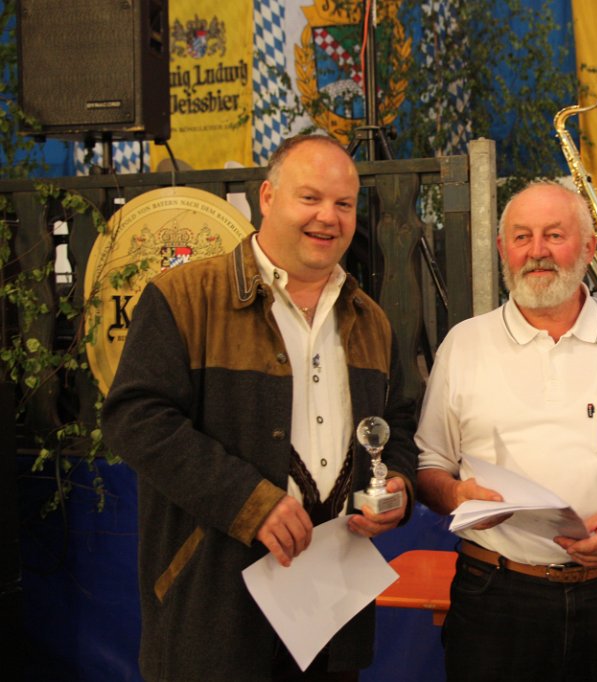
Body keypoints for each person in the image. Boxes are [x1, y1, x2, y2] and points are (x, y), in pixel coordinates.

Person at [102, 135, 418, 681]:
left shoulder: (371, 320)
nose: (328, 217)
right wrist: (250, 503)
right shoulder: (184, 297)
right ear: (267, 197)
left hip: (330, 617)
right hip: (212, 613)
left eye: (344, 204)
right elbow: (135, 418)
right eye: (310, 198)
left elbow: (400, 426)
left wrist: (397, 488)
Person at [415, 182, 597, 681]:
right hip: (496, 597)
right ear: (503, 249)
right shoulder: (464, 344)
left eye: (554, 235)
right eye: (522, 237)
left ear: (589, 247)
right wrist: (457, 495)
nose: (537, 251)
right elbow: (431, 466)